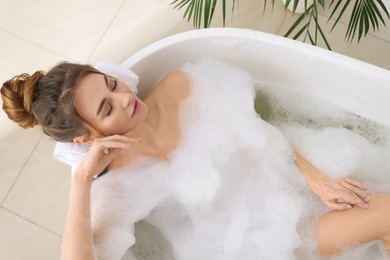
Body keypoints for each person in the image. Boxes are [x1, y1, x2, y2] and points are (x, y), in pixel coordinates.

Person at [1, 60, 390, 260]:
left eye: (112, 83)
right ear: (88, 138)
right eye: (107, 108)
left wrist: (317, 179)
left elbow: (257, 130)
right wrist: (82, 179)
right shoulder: (118, 183)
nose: (124, 98)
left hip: (297, 220)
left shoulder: (183, 85)